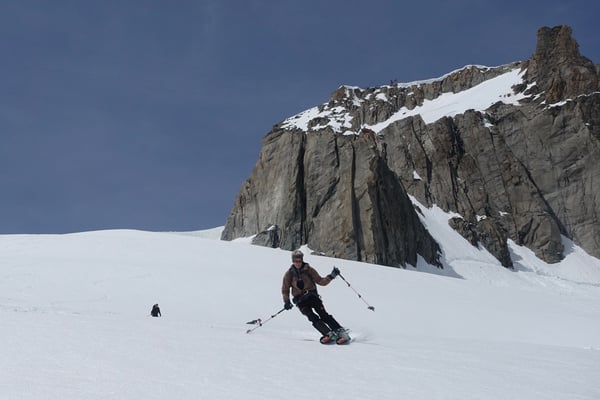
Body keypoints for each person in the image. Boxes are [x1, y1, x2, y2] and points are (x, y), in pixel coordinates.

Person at [281, 249, 350, 344]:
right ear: (292, 261)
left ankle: (340, 331)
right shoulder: (289, 274)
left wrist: (331, 276)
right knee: (312, 317)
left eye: (299, 261)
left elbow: (321, 281)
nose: (297, 263)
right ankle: (328, 333)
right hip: (300, 301)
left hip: (312, 296)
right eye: (295, 261)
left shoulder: (309, 270)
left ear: (302, 260)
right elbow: (285, 290)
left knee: (323, 314)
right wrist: (286, 301)